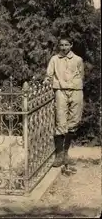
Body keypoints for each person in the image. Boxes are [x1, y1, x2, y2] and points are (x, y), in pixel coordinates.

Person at [45, 36, 84, 174]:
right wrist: (48, 81)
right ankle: (59, 155)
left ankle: (66, 153)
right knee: (60, 122)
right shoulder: (55, 59)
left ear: (71, 45)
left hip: (76, 91)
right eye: (61, 45)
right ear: (59, 46)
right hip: (60, 91)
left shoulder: (78, 60)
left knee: (73, 122)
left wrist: (74, 86)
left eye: (67, 45)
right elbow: (49, 75)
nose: (64, 47)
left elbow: (81, 75)